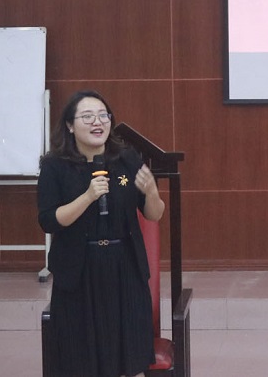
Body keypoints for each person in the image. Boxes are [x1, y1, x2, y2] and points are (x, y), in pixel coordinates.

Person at [37, 90, 165, 377]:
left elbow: (154, 214)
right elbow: (49, 221)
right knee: (80, 359)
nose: (97, 122)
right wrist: (87, 197)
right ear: (70, 125)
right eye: (87, 116)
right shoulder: (54, 166)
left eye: (103, 115)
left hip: (125, 268)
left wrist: (152, 192)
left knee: (130, 360)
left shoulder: (126, 159)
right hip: (79, 271)